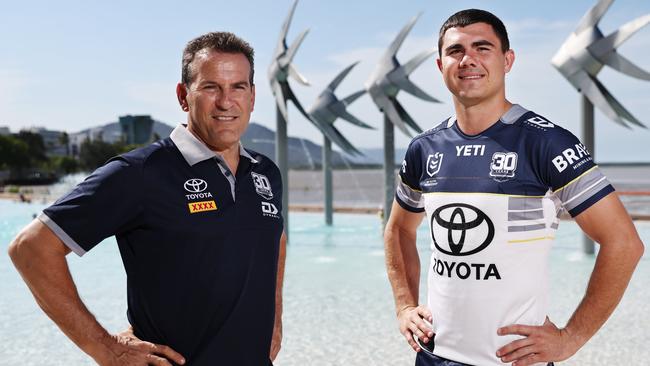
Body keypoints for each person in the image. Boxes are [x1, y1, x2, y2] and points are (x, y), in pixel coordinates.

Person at [8, 31, 286, 366]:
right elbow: (31, 248)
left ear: (253, 97)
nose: (226, 101)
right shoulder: (140, 172)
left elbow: (274, 236)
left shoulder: (266, 172)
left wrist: (274, 318)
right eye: (211, 87)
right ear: (184, 96)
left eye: (238, 87)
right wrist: (106, 348)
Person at [384, 9, 644, 366]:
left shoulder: (547, 143)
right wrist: (405, 306)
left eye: (482, 48)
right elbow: (399, 228)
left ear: (508, 60)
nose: (468, 60)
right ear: (440, 64)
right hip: (434, 357)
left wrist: (571, 338)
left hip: (515, 361)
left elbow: (624, 244)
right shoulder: (424, 148)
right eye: (456, 51)